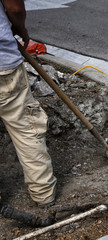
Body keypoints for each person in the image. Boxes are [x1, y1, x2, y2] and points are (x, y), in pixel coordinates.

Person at [0, 0, 56, 206]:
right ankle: (44, 195)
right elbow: (14, 7)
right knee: (26, 127)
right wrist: (19, 28)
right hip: (3, 66)